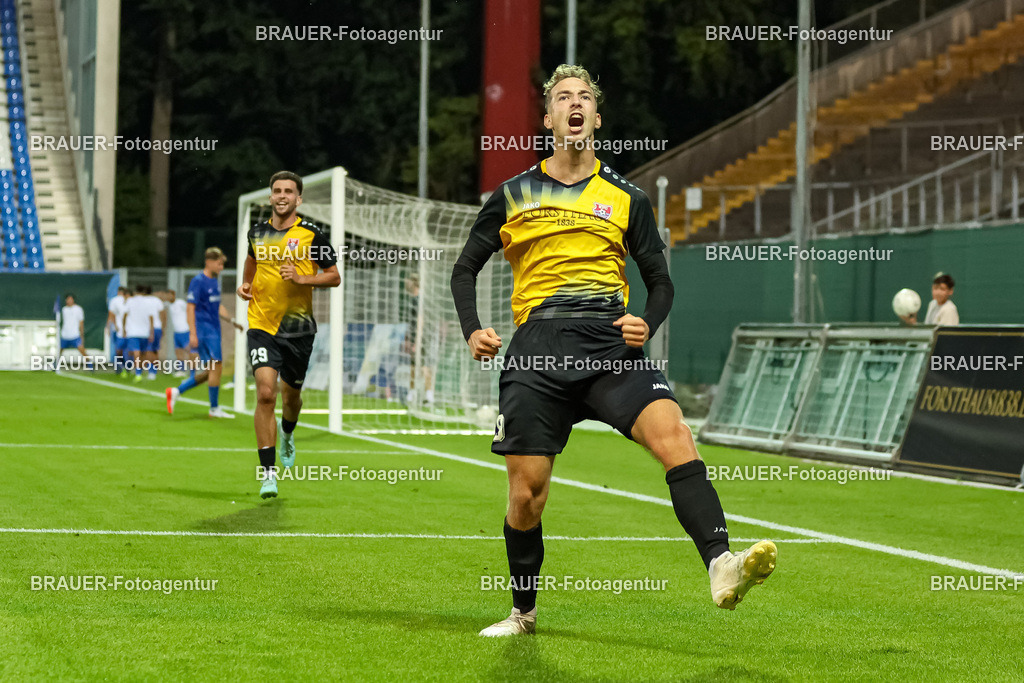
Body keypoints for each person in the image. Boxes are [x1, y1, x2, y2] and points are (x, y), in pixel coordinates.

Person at [450, 64, 776, 638]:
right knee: (527, 495)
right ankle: (522, 613)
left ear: (596, 119)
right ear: (548, 118)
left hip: (608, 344)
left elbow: (662, 281)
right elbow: (464, 268)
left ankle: (721, 564)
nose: (572, 104)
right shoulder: (513, 194)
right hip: (538, 350)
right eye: (561, 98)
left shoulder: (628, 197)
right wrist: (473, 327)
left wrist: (645, 323)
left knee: (675, 434)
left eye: (583, 98)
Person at [237, 171, 340, 499]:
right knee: (266, 393)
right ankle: (268, 474)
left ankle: (288, 432)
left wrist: (302, 279)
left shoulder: (311, 234)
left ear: (298, 199)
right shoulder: (257, 233)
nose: (282, 195)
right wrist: (246, 284)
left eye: (289, 191)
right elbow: (251, 262)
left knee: (290, 396)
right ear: (270, 197)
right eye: (277, 190)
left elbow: (334, 276)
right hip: (261, 325)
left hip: (298, 330)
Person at [166, 248, 243, 418]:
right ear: (209, 261)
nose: (222, 267)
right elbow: (190, 307)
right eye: (220, 263)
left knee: (210, 371)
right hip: (205, 331)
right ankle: (214, 409)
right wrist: (192, 333)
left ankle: (177, 391)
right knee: (217, 366)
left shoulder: (215, 282)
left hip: (214, 329)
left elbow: (217, 307)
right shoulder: (198, 281)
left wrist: (232, 321)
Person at [122, 285, 154, 381]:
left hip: (133, 331)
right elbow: (151, 318)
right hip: (144, 331)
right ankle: (140, 371)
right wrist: (151, 331)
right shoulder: (148, 302)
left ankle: (138, 373)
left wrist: (124, 328)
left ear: (135, 292)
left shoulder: (130, 301)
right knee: (142, 353)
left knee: (136, 352)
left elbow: (125, 315)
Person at [166, 289, 192, 377]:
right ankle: (181, 370)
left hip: (184, 330)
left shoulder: (180, 302)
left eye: (169, 295)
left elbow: (190, 311)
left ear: (173, 295)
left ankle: (194, 369)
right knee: (178, 352)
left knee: (189, 351)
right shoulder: (169, 305)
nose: (168, 297)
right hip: (176, 332)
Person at [106, 287, 131, 376]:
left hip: (120, 330)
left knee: (119, 350)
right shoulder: (118, 301)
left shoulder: (116, 300)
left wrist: (109, 327)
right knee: (125, 350)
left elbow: (111, 315)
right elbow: (113, 314)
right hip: (124, 330)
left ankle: (122, 368)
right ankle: (124, 368)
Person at [59, 293, 87, 358]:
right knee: (59, 351)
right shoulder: (64, 309)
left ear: (73, 300)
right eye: (67, 299)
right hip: (64, 335)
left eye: (70, 299)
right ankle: (55, 365)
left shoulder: (78, 309)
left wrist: (81, 335)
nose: (69, 301)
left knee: (82, 351)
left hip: (75, 335)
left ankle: (90, 366)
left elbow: (81, 323)